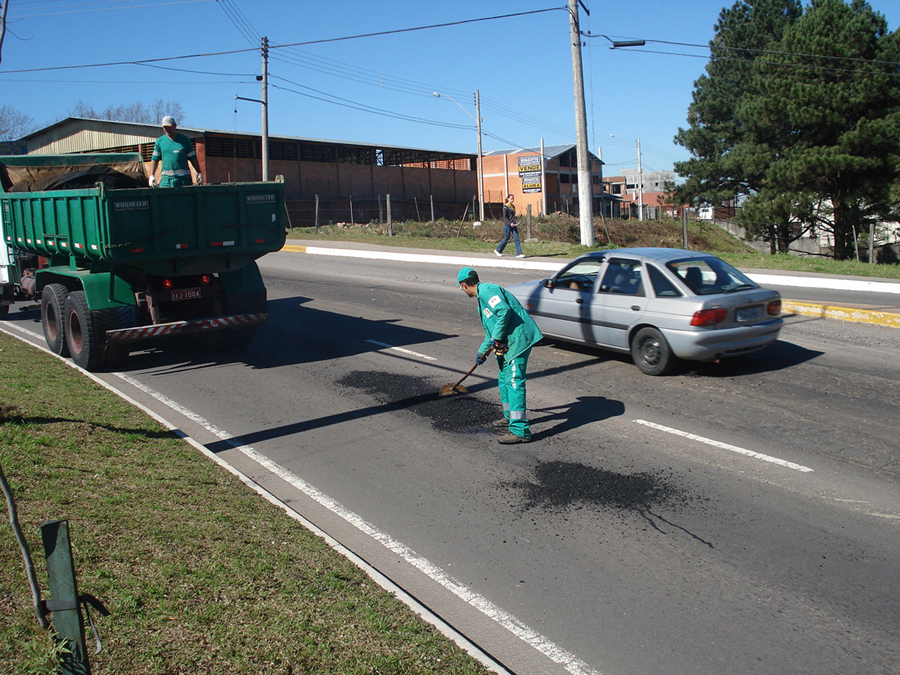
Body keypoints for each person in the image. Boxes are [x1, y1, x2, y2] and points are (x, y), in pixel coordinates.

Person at [457, 266, 542, 444]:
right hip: (507, 341)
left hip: (518, 340)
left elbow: (504, 311)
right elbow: (493, 328)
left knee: (513, 381)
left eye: (460, 287)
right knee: (504, 379)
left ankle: (520, 430)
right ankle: (509, 418)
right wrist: (482, 351)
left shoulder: (487, 291)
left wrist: (497, 337)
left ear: (464, 285)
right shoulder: (482, 297)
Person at [148, 116, 203, 188]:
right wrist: (151, 175)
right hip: (166, 180)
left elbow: (193, 158)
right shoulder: (160, 141)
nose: (167, 130)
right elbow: (155, 159)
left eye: (169, 127)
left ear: (175, 126)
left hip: (184, 179)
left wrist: (199, 172)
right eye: (165, 128)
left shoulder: (184, 140)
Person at [495, 194, 524, 258]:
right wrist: (510, 223)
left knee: (516, 239)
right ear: (508, 199)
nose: (512, 200)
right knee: (506, 238)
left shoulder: (513, 206)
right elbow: (505, 218)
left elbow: (513, 216)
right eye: (511, 198)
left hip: (514, 225)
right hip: (508, 225)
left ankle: (519, 253)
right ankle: (498, 250)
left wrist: (515, 221)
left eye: (513, 198)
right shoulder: (505, 207)